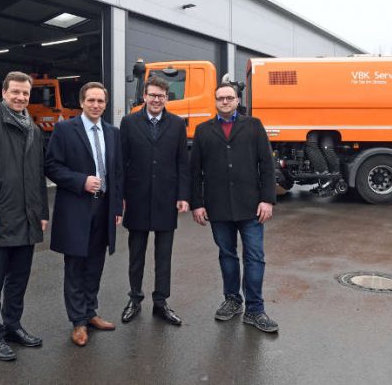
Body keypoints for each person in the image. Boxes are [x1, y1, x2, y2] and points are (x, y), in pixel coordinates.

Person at [0, 71, 49, 361]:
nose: (20, 97)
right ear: (4, 93)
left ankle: (13, 326)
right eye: (15, 92)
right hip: (0, 218)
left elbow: (37, 176)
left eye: (25, 93)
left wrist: (41, 212)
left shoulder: (34, 129)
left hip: (27, 218)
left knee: (19, 279)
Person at [190, 82, 279, 333]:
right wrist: (197, 203)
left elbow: (267, 165)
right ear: (215, 101)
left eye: (230, 97)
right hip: (218, 208)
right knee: (227, 256)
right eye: (221, 98)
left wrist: (267, 199)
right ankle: (232, 300)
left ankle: (255, 309)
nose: (225, 102)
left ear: (237, 100)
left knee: (254, 257)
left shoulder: (253, 126)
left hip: (251, 206)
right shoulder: (203, 130)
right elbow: (195, 171)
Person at [45, 81, 124, 347]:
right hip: (77, 208)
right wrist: (81, 181)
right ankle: (78, 322)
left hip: (103, 209)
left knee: (95, 265)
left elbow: (116, 173)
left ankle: (91, 313)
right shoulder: (65, 129)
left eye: (100, 101)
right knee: (76, 266)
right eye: (91, 100)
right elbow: (52, 166)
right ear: (81, 102)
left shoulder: (112, 132)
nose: (96, 105)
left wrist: (116, 208)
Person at [119, 76, 190, 325]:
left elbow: (183, 162)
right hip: (137, 198)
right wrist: (121, 197)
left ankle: (161, 302)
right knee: (136, 254)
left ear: (166, 98)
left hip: (166, 199)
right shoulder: (128, 123)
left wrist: (183, 195)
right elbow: (121, 163)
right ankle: (135, 299)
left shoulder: (177, 124)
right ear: (145, 97)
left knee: (164, 255)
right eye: (152, 95)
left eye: (161, 95)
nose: (156, 99)